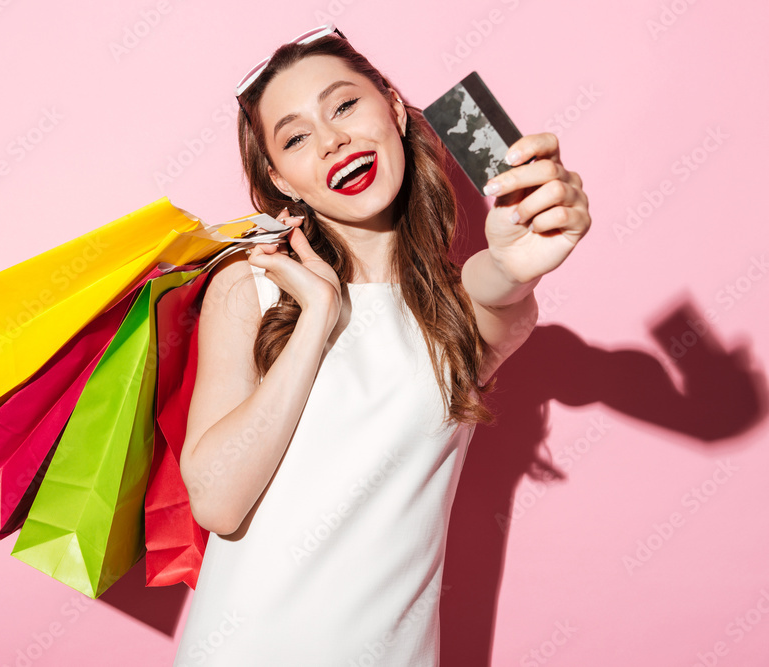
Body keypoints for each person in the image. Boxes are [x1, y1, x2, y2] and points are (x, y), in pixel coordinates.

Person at [172, 24, 590, 666]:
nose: (333, 139)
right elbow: (217, 502)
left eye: (344, 105)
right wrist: (316, 317)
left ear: (394, 109)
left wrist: (514, 263)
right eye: (295, 137)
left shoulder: (458, 311)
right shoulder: (250, 288)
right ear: (283, 181)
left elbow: (495, 286)